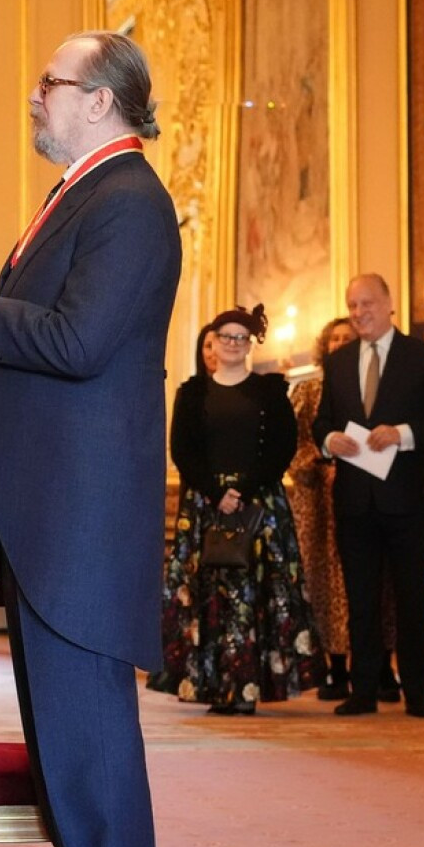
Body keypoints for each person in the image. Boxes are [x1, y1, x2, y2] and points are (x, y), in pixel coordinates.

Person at [0, 29, 178, 847]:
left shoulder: (130, 201)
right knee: (61, 727)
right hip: (50, 502)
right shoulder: (83, 192)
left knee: (88, 719)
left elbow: (80, 342)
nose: (36, 96)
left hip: (80, 509)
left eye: (51, 82)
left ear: (100, 99)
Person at [151, 306, 313, 715]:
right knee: (209, 597)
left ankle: (247, 687)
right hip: (205, 505)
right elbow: (182, 449)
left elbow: (283, 447)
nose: (233, 344)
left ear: (250, 344)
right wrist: (216, 492)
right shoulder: (192, 393)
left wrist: (242, 490)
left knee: (255, 597)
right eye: (226, 336)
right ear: (214, 341)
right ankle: (213, 687)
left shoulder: (270, 392)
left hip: (258, 505)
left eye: (241, 337)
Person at [310, 273, 424, 718]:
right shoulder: (338, 363)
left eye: (367, 304)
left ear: (389, 303)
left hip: (406, 500)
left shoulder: (423, 356)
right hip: (354, 501)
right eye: (352, 305)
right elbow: (321, 422)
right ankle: (364, 690)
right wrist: (329, 440)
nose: (359, 313)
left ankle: (418, 693)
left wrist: (402, 434)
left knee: (412, 601)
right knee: (362, 601)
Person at [287, 317, 357, 699]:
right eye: (336, 339)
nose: (342, 344)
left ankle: (375, 666)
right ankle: (333, 667)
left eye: (349, 338)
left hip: (362, 493)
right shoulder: (309, 389)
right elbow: (292, 442)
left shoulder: (368, 385)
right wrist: (318, 464)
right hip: (317, 503)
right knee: (323, 585)